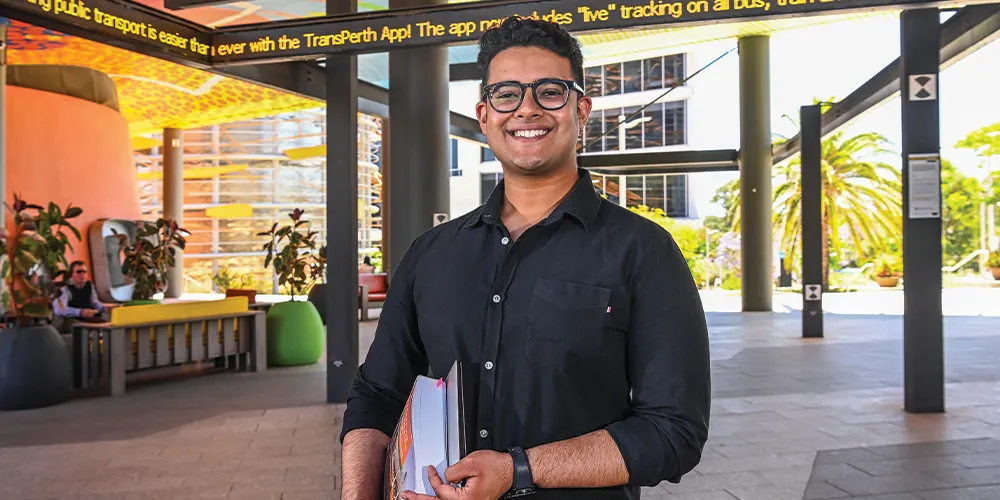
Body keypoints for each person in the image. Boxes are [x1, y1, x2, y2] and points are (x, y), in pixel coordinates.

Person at [339, 16, 711, 500]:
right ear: (485, 114)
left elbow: (673, 432)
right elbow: (376, 395)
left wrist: (518, 469)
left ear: (582, 109)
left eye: (550, 92)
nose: (527, 109)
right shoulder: (432, 252)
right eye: (507, 94)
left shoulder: (643, 251)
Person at [52, 260, 105, 333]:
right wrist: (80, 312)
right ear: (71, 274)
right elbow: (59, 309)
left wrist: (104, 308)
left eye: (84, 271)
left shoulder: (89, 286)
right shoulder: (64, 289)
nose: (82, 274)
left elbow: (94, 302)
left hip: (89, 318)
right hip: (72, 320)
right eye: (79, 272)